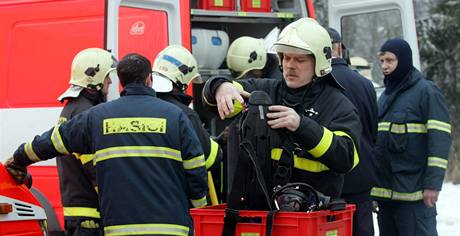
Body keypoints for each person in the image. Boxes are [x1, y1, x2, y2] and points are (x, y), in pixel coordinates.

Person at [4, 53, 208, 236]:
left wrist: (19, 158)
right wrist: (199, 207)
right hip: (172, 228)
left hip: (119, 229)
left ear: (121, 83)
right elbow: (195, 169)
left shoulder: (96, 118)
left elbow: (53, 141)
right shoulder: (176, 116)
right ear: (149, 79)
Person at [202, 18, 361, 200]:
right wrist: (220, 86)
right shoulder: (266, 90)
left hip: (309, 217)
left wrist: (302, 126)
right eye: (286, 57)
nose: (289, 65)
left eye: (299, 59)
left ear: (319, 62)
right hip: (261, 213)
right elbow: (215, 99)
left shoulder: (337, 104)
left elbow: (346, 158)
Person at [371, 38, 452, 236]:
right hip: (386, 198)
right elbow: (378, 147)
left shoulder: (427, 92)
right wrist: (373, 191)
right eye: (382, 61)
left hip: (414, 198)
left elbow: (439, 142)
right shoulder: (385, 97)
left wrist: (432, 184)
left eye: (390, 60)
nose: (385, 66)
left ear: (405, 61)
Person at [56, 48, 116, 235]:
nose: (110, 81)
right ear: (95, 79)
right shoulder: (85, 113)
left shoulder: (72, 108)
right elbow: (94, 166)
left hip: (78, 212)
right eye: (107, 77)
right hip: (90, 216)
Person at [151, 44, 222, 202]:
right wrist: (221, 141)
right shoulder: (184, 114)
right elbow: (209, 158)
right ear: (182, 79)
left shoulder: (139, 106)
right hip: (176, 200)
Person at [327, 27, 378, 236]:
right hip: (361, 177)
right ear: (340, 47)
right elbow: (373, 131)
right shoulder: (365, 84)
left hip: (328, 180)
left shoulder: (315, 82)